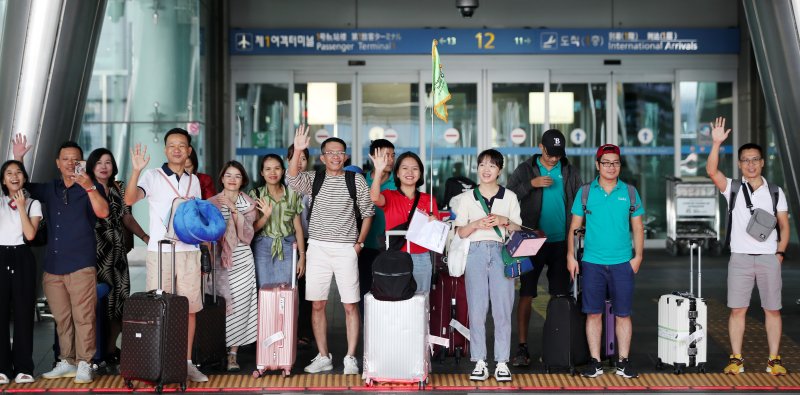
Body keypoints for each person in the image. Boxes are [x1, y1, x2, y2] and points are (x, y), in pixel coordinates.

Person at [705, 117, 790, 376]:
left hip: (768, 258)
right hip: (740, 257)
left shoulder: (775, 192)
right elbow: (711, 171)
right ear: (740, 163)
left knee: (772, 310)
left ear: (762, 162)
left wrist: (779, 254)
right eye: (746, 160)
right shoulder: (732, 188)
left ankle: (774, 360)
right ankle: (736, 359)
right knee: (737, 310)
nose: (751, 164)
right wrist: (717, 144)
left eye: (755, 159)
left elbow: (784, 227)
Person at [286, 125, 374, 375]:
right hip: (318, 248)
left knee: (349, 304)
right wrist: (299, 150)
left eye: (340, 153)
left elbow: (368, 213)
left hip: (346, 248)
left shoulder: (354, 179)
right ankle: (323, 356)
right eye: (330, 153)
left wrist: (359, 244)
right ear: (322, 157)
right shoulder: (314, 178)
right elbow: (292, 179)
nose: (336, 156)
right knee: (317, 304)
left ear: (345, 157)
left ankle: (350, 357)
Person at [124, 128, 208, 382]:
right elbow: (129, 198)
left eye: (181, 145)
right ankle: (158, 362)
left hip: (189, 252)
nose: (177, 149)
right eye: (172, 145)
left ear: (189, 150)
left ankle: (186, 363)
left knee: (190, 309)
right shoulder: (152, 176)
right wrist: (136, 169)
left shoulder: (194, 181)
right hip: (161, 252)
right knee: (160, 308)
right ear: (165, 149)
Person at [22, 141, 109, 384]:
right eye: (66, 159)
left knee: (84, 317)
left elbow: (103, 213)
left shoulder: (92, 187)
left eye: (76, 159)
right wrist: (18, 158)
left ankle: (85, 363)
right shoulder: (51, 188)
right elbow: (21, 185)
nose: (71, 163)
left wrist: (89, 187)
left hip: (81, 262)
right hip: (53, 265)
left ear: (83, 163)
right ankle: (67, 360)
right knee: (62, 318)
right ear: (58, 163)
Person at [567, 144, 644, 379]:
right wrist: (571, 256)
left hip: (622, 263)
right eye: (607, 162)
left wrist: (638, 256)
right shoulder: (586, 192)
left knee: (623, 314)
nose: (612, 167)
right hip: (592, 262)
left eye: (616, 163)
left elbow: (638, 228)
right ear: (597, 165)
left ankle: (623, 362)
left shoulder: (629, 192)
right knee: (593, 313)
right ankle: (595, 362)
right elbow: (574, 228)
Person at [506, 129, 582, 366]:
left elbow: (579, 201)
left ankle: (555, 345)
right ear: (541, 147)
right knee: (527, 293)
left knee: (559, 295)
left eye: (559, 155)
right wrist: (531, 184)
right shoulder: (525, 169)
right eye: (551, 154)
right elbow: (508, 195)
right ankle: (522, 347)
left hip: (561, 242)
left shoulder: (569, 170)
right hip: (530, 239)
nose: (554, 159)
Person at [452, 149, 522, 383]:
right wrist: (476, 223)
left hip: (502, 252)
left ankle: (502, 362)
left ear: (500, 170)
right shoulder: (468, 197)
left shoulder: (509, 197)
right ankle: (479, 360)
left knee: (503, 311)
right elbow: (459, 231)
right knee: (477, 309)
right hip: (476, 252)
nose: (486, 169)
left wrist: (504, 221)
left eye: (491, 165)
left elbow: (518, 229)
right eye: (482, 165)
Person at [85, 148, 149, 369]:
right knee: (97, 305)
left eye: (108, 162)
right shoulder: (86, 188)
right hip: (94, 253)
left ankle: (111, 349)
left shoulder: (119, 188)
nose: (104, 166)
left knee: (120, 302)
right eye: (99, 162)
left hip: (118, 254)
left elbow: (126, 217)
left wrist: (145, 236)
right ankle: (95, 352)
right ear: (91, 166)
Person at [207, 161, 260, 372]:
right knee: (220, 306)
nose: (232, 179)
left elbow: (247, 236)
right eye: (228, 175)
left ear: (243, 180)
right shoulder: (211, 203)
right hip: (217, 259)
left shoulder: (248, 204)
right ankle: (215, 350)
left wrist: (235, 212)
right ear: (221, 178)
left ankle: (233, 354)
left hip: (241, 259)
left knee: (240, 307)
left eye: (237, 176)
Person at [369, 149, 439, 292]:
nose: (410, 172)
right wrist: (378, 171)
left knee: (421, 302)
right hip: (395, 257)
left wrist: (434, 223)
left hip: (421, 258)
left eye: (415, 169)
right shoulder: (389, 195)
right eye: (405, 168)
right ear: (398, 173)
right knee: (396, 303)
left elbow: (435, 236)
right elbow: (375, 198)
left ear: (420, 174)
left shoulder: (429, 199)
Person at [0, 159, 41, 384]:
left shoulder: (34, 203)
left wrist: (22, 206)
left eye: (18, 172)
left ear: (24, 178)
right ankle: (2, 369)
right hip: (0, 255)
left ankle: (24, 367)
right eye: (9, 173)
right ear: (3, 180)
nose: (14, 176)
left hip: (23, 256)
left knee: (24, 313)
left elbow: (30, 235)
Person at [248, 154, 306, 291]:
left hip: (287, 246)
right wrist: (265, 216)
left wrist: (302, 257)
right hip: (261, 247)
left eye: (277, 168)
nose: (272, 173)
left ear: (283, 171)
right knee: (263, 290)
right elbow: (251, 229)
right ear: (262, 172)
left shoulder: (292, 194)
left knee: (286, 290)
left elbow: (298, 228)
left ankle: (285, 314)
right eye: (268, 169)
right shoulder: (255, 195)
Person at [285, 144, 314, 348]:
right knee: (285, 288)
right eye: (296, 158)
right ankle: (285, 330)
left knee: (306, 290)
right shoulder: (280, 181)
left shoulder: (313, 183)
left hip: (309, 243)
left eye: (304, 159)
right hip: (285, 243)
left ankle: (304, 331)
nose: (300, 163)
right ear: (289, 160)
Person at [360, 139, 395, 303]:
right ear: (373, 157)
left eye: (392, 155)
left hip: (392, 247)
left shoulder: (400, 181)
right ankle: (367, 328)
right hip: (364, 246)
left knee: (390, 293)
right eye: (385, 155)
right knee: (364, 293)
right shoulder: (360, 180)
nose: (390, 159)